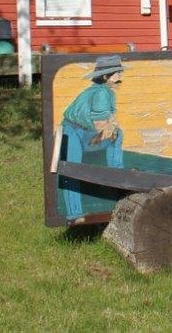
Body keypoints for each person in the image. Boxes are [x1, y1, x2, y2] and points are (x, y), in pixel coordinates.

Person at [59, 55, 126, 222]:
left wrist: (111, 130)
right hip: (71, 130)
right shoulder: (102, 92)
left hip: (84, 130)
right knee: (72, 170)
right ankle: (74, 214)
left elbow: (107, 122)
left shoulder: (105, 92)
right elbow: (100, 124)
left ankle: (117, 173)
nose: (120, 78)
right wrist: (108, 133)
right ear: (105, 77)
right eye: (117, 74)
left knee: (117, 133)